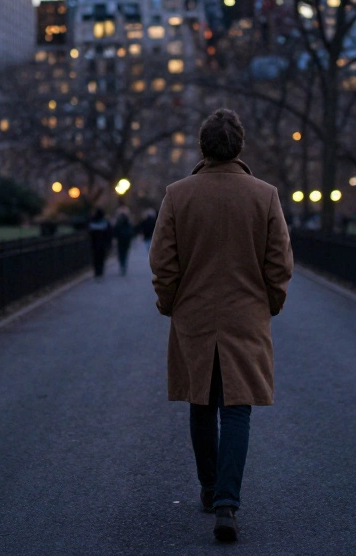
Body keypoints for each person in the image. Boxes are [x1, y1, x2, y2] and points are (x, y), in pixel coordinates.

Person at [149, 108, 293, 543]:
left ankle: (210, 489)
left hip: (194, 315)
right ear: (240, 147)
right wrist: (269, 303)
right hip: (245, 315)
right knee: (237, 408)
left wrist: (170, 303)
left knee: (201, 403)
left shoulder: (178, 194)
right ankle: (228, 501)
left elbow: (163, 261)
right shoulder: (264, 195)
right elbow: (279, 263)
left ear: (202, 148)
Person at [87, 208, 112, 279]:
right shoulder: (105, 223)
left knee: (95, 258)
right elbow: (109, 234)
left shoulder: (92, 222)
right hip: (102, 245)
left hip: (94, 244)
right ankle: (100, 271)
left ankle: (96, 272)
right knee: (101, 258)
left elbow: (90, 233)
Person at [113, 206, 136, 276]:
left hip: (120, 239)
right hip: (126, 239)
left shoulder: (118, 221)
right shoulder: (128, 220)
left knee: (120, 253)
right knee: (125, 253)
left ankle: (122, 264)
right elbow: (131, 229)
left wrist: (115, 238)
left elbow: (115, 230)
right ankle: (124, 265)